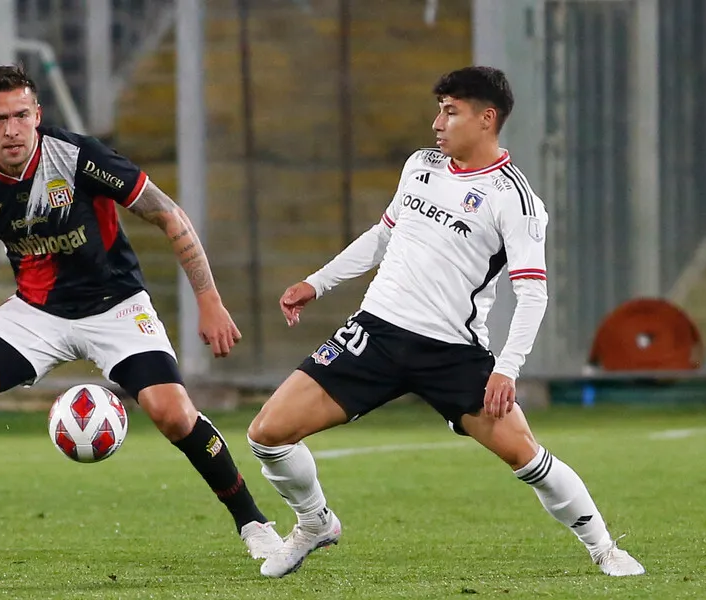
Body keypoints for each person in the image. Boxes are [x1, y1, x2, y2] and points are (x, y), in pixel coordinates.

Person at [246, 66, 645, 578]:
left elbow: (532, 295)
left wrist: (507, 368)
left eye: (450, 111)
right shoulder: (421, 165)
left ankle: (604, 549)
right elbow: (383, 235)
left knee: (527, 457)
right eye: (438, 109)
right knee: (267, 433)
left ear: (486, 118)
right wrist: (316, 282)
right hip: (376, 332)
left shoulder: (515, 201)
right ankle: (315, 522)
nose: (437, 122)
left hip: (451, 354)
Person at [0, 65, 282, 562]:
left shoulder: (78, 156)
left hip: (115, 306)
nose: (11, 129)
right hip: (37, 313)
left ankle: (254, 523)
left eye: (20, 115)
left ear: (37, 115)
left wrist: (209, 299)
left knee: (172, 413)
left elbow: (167, 213)